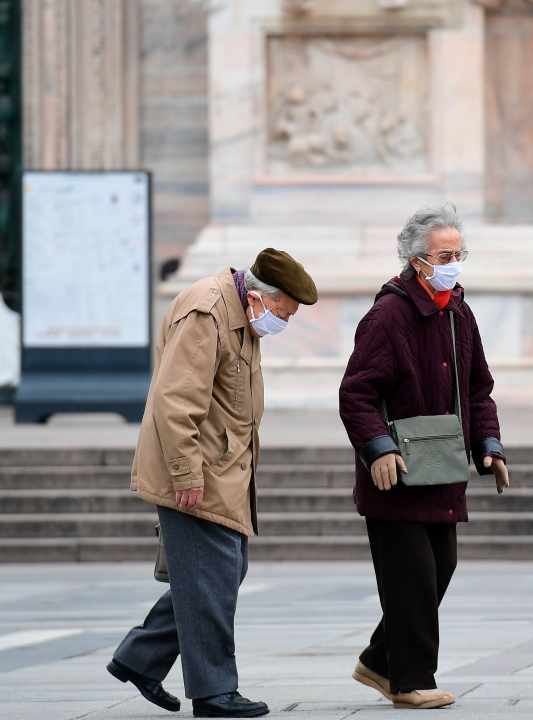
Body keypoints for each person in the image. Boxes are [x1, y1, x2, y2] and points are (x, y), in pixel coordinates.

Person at [108, 249, 318, 718]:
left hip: (222, 470)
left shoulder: (240, 310)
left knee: (218, 574)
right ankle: (214, 691)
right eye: (284, 313)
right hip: (196, 473)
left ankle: (140, 658)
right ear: (265, 298)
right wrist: (185, 472)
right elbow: (175, 400)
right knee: (212, 577)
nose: (283, 323)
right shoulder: (208, 311)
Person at [339, 204, 510, 710]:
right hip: (397, 473)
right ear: (417, 261)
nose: (453, 263)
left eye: (459, 254)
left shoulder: (458, 312)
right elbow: (356, 394)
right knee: (410, 577)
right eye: (444, 255)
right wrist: (377, 448)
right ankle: (409, 680)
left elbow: (479, 389)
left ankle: (378, 659)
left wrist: (490, 446)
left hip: (444, 469)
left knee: (440, 566)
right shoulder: (387, 315)